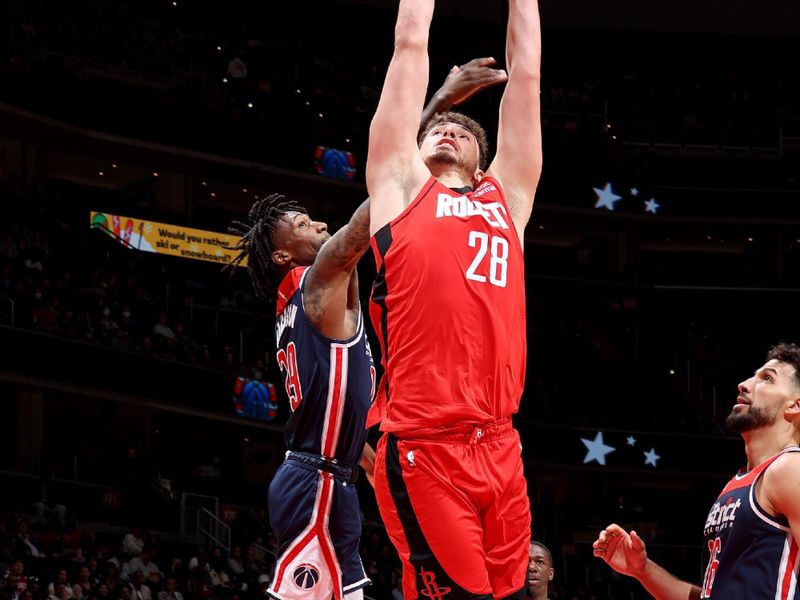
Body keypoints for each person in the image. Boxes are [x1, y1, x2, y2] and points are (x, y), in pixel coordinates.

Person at [226, 60, 505, 600]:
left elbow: (340, 409)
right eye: (305, 225)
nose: (321, 225)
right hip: (316, 482)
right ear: (283, 253)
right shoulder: (319, 281)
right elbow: (381, 197)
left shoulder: (301, 304)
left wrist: (379, 472)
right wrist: (439, 107)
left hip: (331, 476)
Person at [364, 0, 542, 597]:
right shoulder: (399, 189)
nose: (450, 129)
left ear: (482, 157)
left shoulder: (507, 203)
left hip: (500, 444)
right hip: (425, 448)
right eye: (442, 125)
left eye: (465, 132)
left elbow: (528, 75)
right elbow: (410, 41)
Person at [593, 342, 800, 599]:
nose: (744, 384)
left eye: (767, 379)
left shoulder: (790, 469)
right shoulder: (737, 483)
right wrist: (642, 569)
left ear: (794, 405)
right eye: (753, 376)